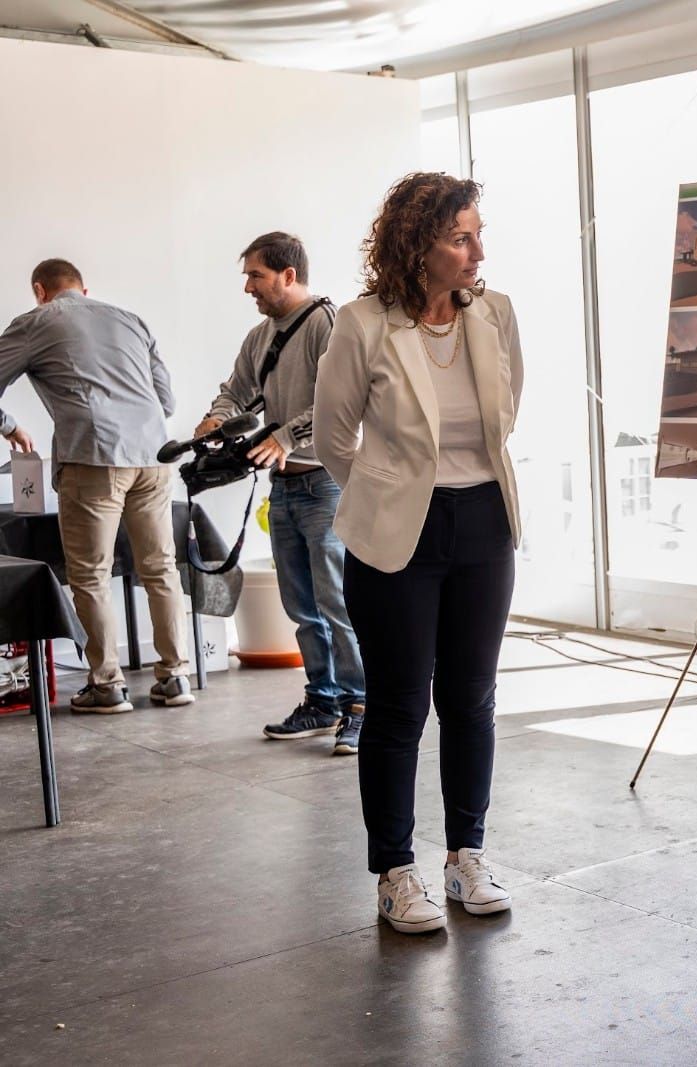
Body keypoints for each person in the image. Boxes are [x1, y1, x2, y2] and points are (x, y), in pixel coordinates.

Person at [315, 173, 522, 934]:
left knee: (471, 698)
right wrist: (389, 490)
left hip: (484, 523)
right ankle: (395, 870)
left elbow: (509, 407)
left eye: (478, 233)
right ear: (417, 244)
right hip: (397, 531)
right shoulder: (363, 323)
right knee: (400, 704)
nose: (477, 250)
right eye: (460, 236)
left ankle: (466, 854)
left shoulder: (495, 314)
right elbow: (332, 435)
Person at [195, 232, 366, 754]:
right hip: (285, 489)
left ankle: (361, 706)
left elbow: (345, 400)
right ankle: (322, 700)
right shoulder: (260, 336)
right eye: (247, 276)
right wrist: (216, 418)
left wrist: (285, 435)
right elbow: (237, 389)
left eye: (256, 276)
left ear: (288, 275)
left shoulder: (325, 323)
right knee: (302, 606)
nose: (249, 286)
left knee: (338, 604)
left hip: (327, 485)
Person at [0, 259, 194, 713]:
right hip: (153, 456)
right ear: (85, 291)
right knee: (160, 568)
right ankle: (175, 676)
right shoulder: (130, 319)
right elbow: (165, 400)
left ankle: (107, 684)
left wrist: (9, 427)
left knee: (89, 575)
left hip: (95, 456)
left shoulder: (36, 322)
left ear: (39, 290)